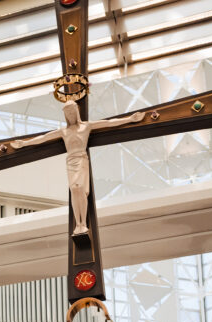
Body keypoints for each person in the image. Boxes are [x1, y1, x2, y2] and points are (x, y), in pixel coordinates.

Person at [10, 100, 145, 236]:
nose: (70, 115)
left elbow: (109, 123)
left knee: (80, 188)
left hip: (81, 159)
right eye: (67, 113)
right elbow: (43, 138)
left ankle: (83, 223)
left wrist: (130, 119)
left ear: (76, 112)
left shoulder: (86, 126)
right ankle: (78, 224)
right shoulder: (64, 131)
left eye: (71, 112)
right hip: (71, 161)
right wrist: (24, 143)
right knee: (74, 190)